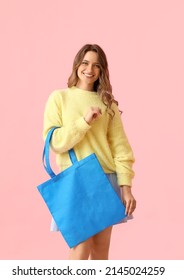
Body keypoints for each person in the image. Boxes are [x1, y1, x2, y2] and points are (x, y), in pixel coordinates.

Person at [43, 44, 136, 260]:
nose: (89, 69)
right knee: (80, 249)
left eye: (96, 65)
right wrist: (83, 122)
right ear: (77, 65)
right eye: (85, 63)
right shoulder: (60, 98)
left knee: (101, 252)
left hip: (106, 178)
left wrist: (126, 187)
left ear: (102, 70)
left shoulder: (108, 104)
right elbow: (55, 142)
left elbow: (121, 148)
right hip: (76, 180)